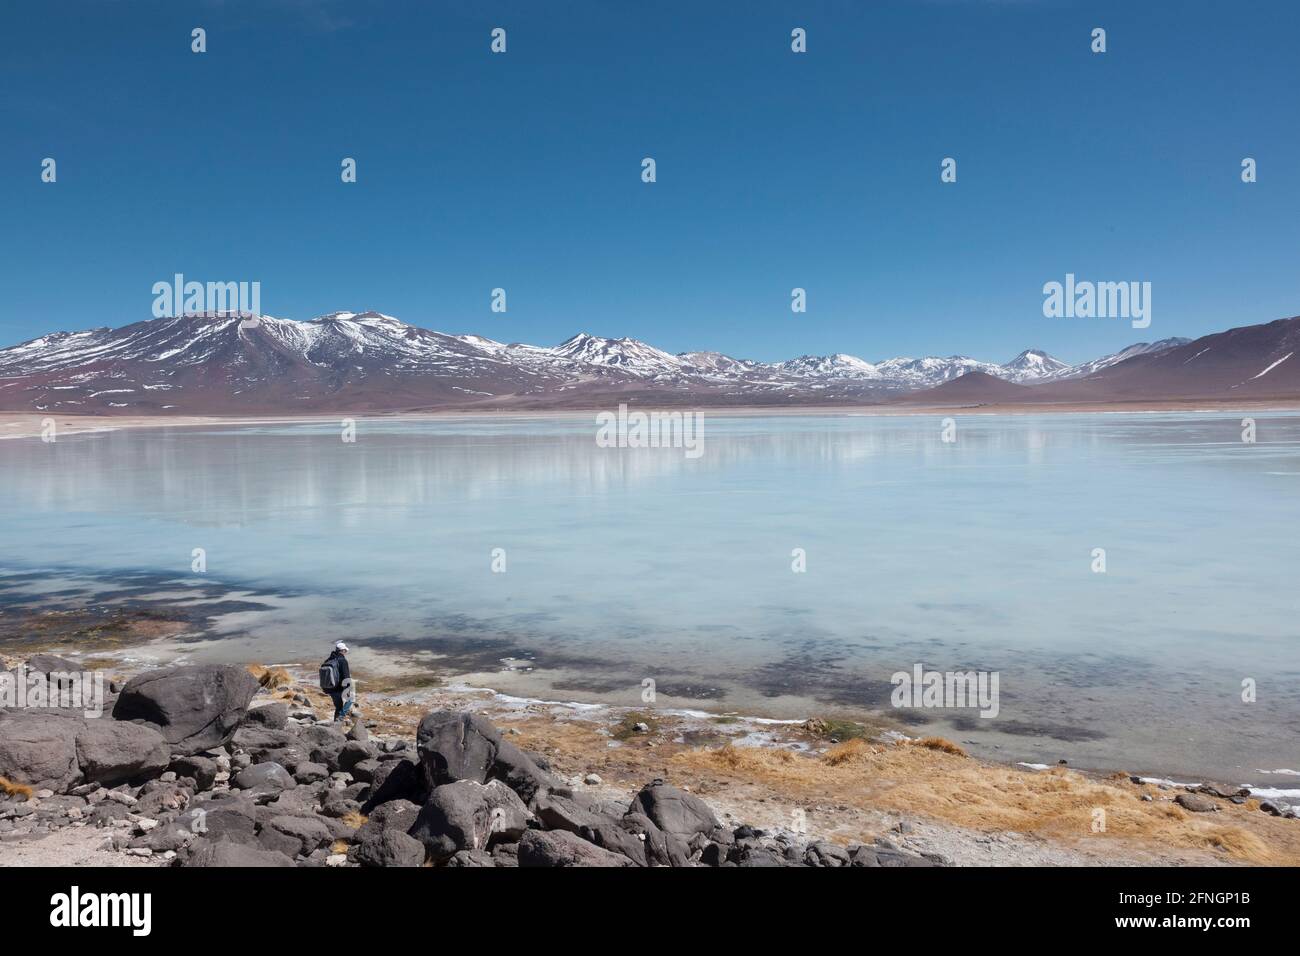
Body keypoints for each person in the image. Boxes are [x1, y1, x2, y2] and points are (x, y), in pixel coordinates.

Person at [322, 641, 355, 723]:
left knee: (338, 706)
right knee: (351, 699)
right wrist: (348, 688)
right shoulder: (342, 660)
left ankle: (336, 724)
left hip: (330, 688)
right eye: (345, 651)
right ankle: (340, 717)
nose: (346, 652)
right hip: (339, 687)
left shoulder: (329, 660)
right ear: (343, 651)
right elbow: (346, 675)